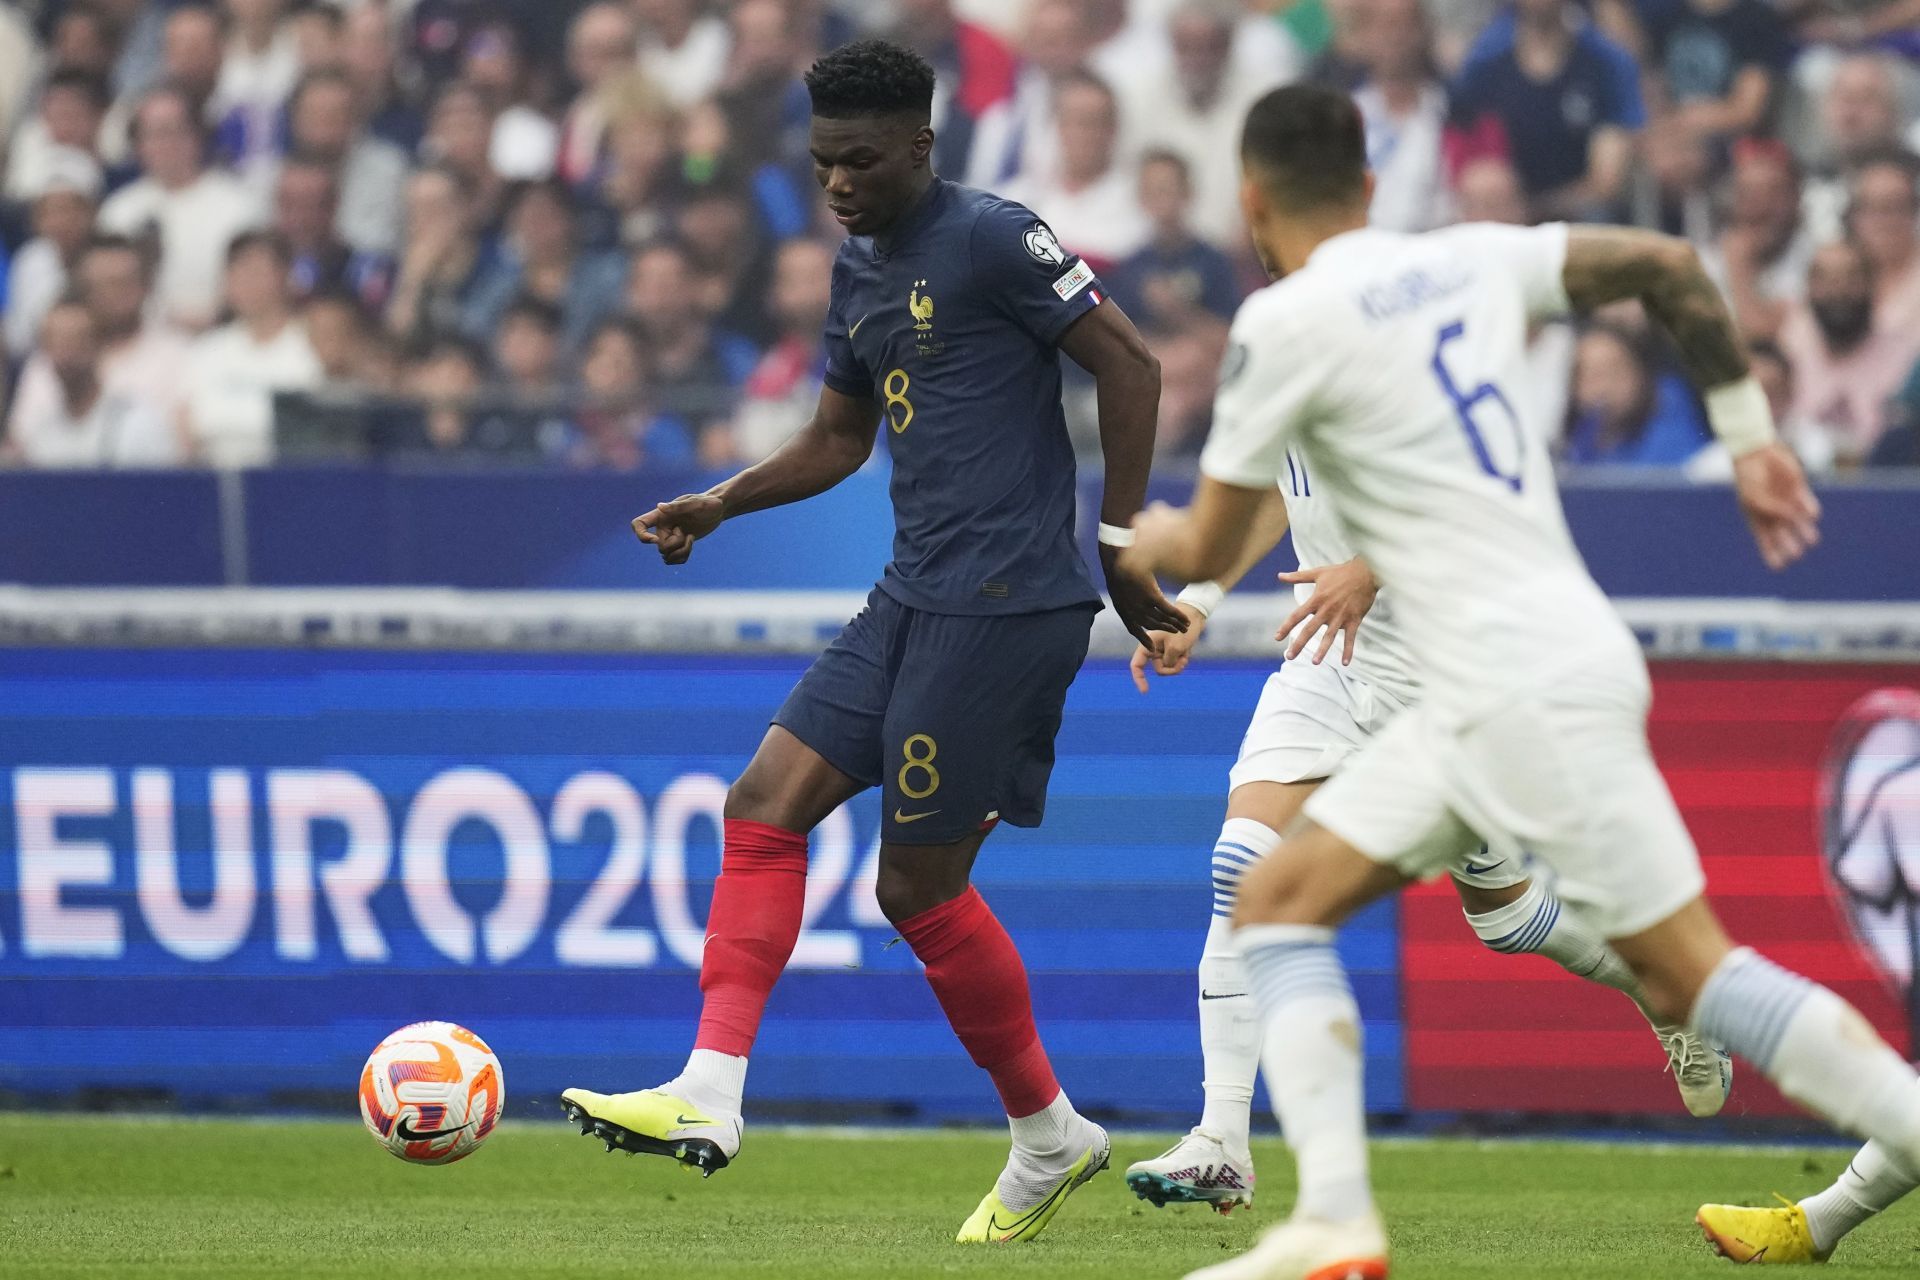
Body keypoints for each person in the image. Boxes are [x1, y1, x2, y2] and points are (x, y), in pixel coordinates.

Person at [1118, 85, 1919, 1280]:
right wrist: (1751, 433)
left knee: (1693, 972)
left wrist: (1147, 547)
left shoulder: (1280, 330)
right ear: (1374, 188)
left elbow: (1200, 531)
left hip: (1510, 675)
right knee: (1275, 899)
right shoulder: (1473, 260)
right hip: (1477, 676)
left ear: (1248, 199)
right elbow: (1666, 262)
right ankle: (1327, 1211)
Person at [559, 38, 1181, 1246]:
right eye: (822, 160)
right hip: (914, 589)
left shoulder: (997, 236)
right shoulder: (856, 268)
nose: (838, 181)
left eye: (860, 159)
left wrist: (1122, 545)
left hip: (1008, 600)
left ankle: (1048, 1131)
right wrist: (722, 499)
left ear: (921, 147)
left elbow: (1135, 364)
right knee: (763, 799)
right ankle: (712, 1087)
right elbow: (841, 438)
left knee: (916, 886)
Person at [1120, 410, 1730, 1217]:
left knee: (1505, 919)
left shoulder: (1407, 315)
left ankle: (1670, 996)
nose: (1265, 271)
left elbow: (1487, 493)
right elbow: (1282, 483)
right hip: (1329, 663)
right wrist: (1198, 596)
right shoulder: (1279, 325)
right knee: (1243, 862)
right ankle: (1222, 1141)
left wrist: (1371, 566)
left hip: (1447, 673)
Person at [1447, 0, 1643, 221]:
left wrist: (1531, 211)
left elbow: (1606, 183)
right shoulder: (1485, 65)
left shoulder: (1606, 64)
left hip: (1578, 222)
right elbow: (1466, 158)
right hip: (1504, 219)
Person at [97, 85, 262, 330]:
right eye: (152, 134)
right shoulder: (119, 210)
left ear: (196, 135)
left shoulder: (239, 206)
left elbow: (257, 283)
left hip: (219, 336)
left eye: (172, 131)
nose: (164, 144)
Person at [180, 231, 321, 466]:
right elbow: (186, 431)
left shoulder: (313, 345)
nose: (247, 282)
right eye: (238, 271)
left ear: (286, 276)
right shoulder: (205, 351)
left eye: (257, 272)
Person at [1777, 239, 1920, 464]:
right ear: (1808, 289)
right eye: (1825, 280)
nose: (1838, 291)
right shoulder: (1789, 356)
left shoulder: (1908, 360)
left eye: (1851, 278)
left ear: (1873, 284)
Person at [999, 70, 1150, 273]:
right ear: (1057, 126)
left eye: (1096, 122)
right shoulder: (1016, 200)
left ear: (1114, 129)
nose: (1085, 134)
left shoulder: (1139, 204)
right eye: (1076, 121)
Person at [3, 298, 178, 468]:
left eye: (75, 342)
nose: (66, 355)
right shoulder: (41, 431)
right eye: (55, 343)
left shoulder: (137, 423)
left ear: (98, 345)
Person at [1562, 323, 1711, 466]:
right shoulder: (1573, 437)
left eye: (1614, 372)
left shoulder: (1669, 401)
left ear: (1639, 371)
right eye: (1591, 376)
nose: (1603, 387)